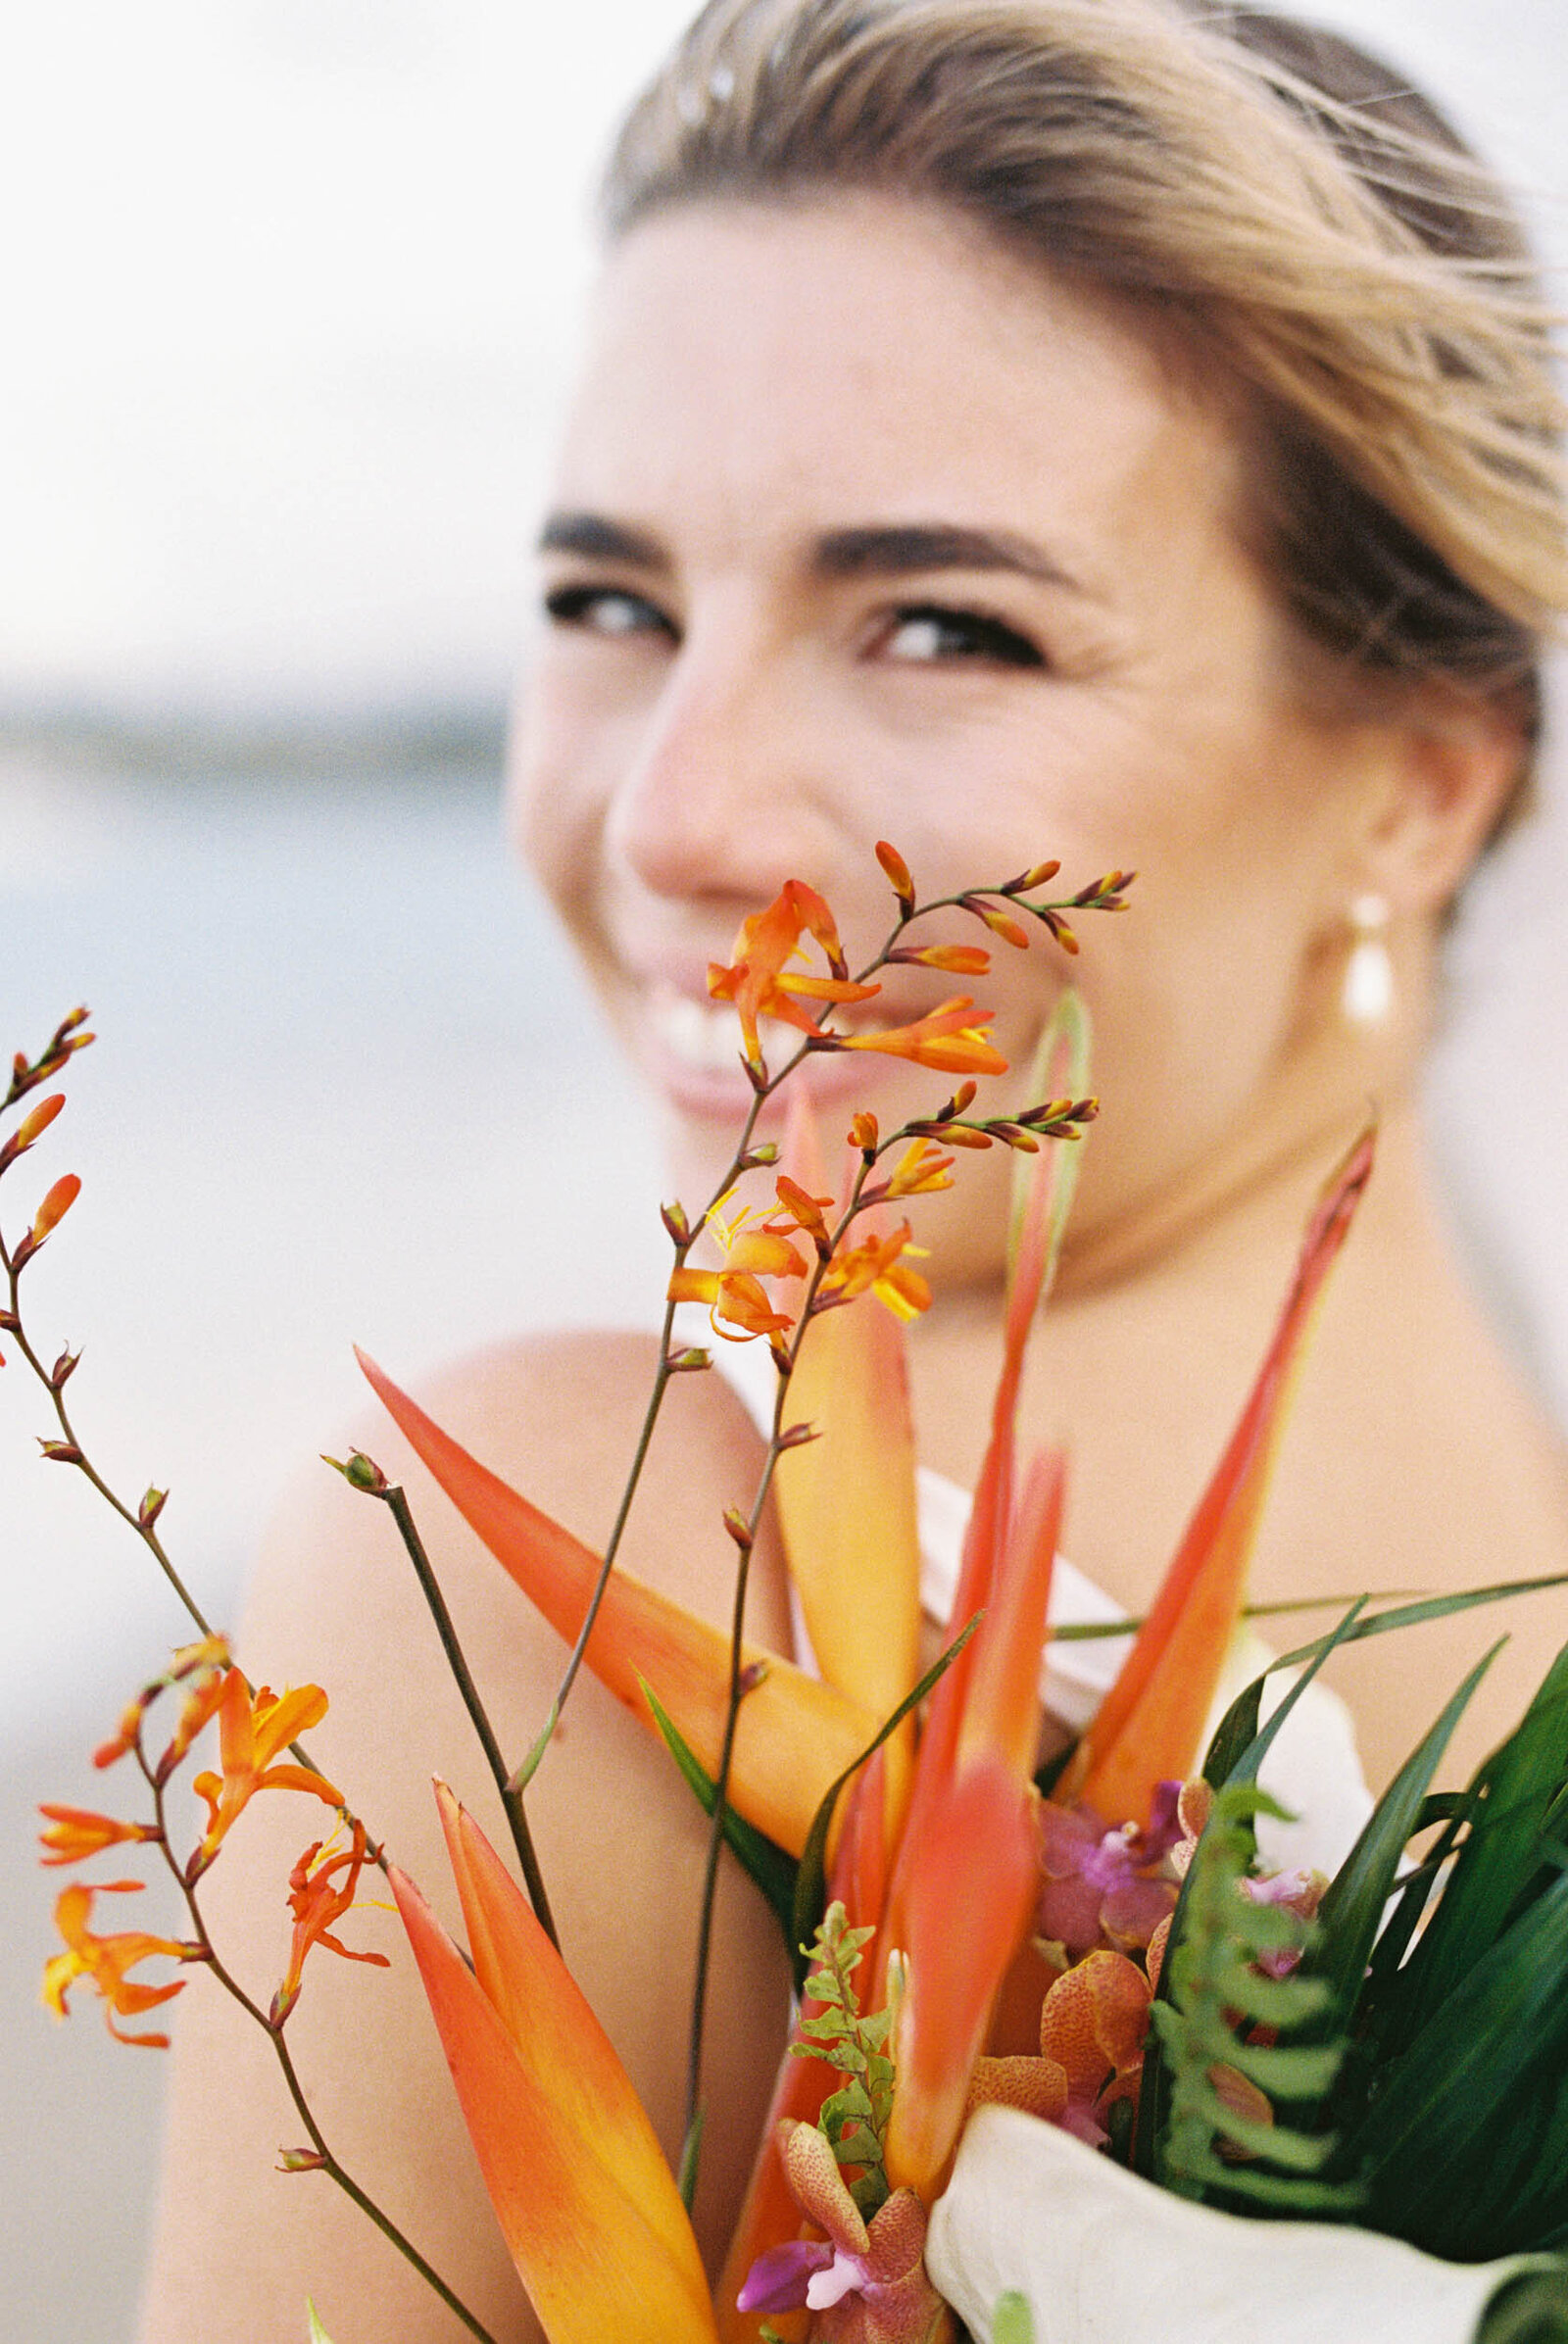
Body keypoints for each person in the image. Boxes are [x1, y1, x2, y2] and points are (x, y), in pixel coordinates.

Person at [138, 3, 1568, 2336]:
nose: (670, 817)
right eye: (611, 606)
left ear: (1413, 779)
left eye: (941, 623)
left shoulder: (542, 1568)